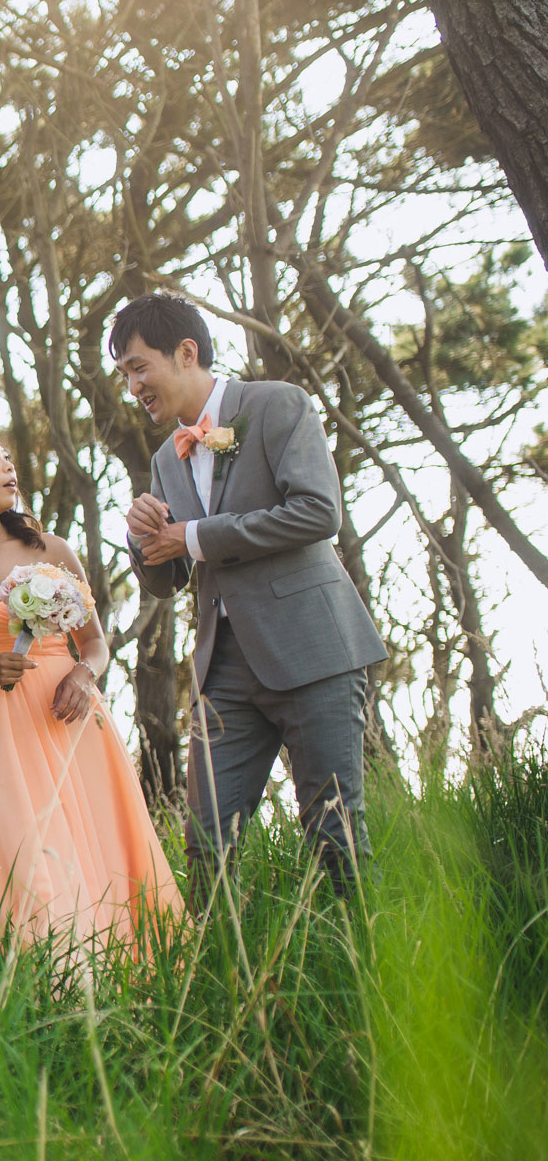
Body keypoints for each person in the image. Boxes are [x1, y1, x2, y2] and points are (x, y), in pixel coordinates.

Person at [112, 292, 384, 902]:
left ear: (186, 352)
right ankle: (224, 982)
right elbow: (170, 578)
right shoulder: (165, 459)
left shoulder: (278, 405)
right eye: (124, 374)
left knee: (333, 828)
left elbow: (317, 513)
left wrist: (195, 534)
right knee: (207, 839)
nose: (132, 387)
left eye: (137, 367)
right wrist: (142, 540)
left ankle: (364, 977)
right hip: (223, 666)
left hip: (312, 647)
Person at [0, 427, 182, 952]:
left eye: (9, 456)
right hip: (0, 729)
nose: (9, 466)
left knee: (104, 836)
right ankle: (62, 974)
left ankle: (144, 965)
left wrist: (82, 675)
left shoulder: (50, 548)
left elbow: (95, 644)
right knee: (30, 848)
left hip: (72, 717)